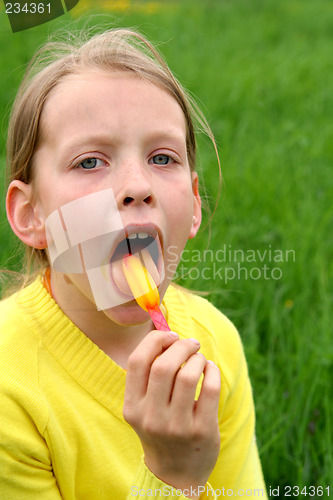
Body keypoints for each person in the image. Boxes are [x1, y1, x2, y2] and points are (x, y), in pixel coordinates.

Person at [0, 28, 267, 499]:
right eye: (89, 162)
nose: (136, 184)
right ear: (31, 214)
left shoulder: (215, 344)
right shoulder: (9, 386)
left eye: (162, 157)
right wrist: (172, 476)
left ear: (194, 203)